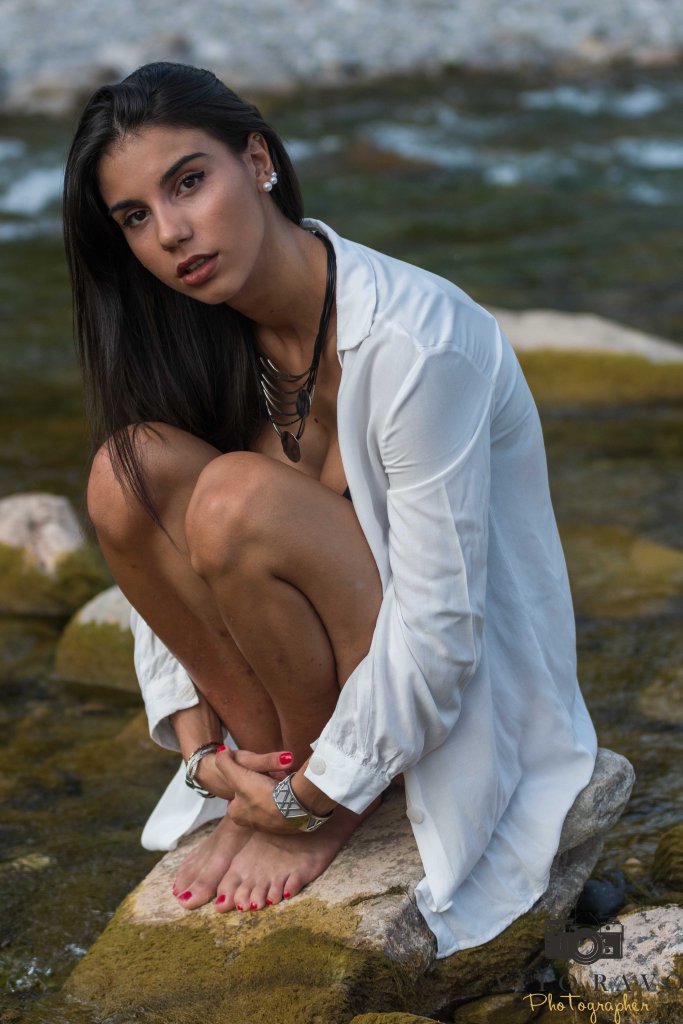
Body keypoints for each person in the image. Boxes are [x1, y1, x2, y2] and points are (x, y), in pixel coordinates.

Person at [63, 61, 598, 958]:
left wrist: (312, 800)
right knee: (127, 474)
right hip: (289, 723)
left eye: (188, 182)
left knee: (234, 497)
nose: (172, 232)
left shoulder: (418, 341)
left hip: (448, 698)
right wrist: (207, 760)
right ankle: (269, 773)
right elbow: (163, 580)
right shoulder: (203, 338)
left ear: (257, 161)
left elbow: (441, 629)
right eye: (136, 218)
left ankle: (322, 797)